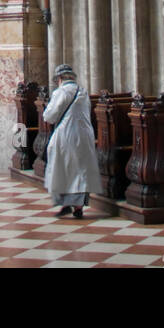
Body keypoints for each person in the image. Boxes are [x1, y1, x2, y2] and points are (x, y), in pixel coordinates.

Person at [42, 64, 101, 219]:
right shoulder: (83, 92)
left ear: (60, 79)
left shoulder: (60, 92)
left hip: (66, 135)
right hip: (85, 135)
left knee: (61, 168)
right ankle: (78, 206)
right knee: (81, 169)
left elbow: (49, 116)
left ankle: (66, 203)